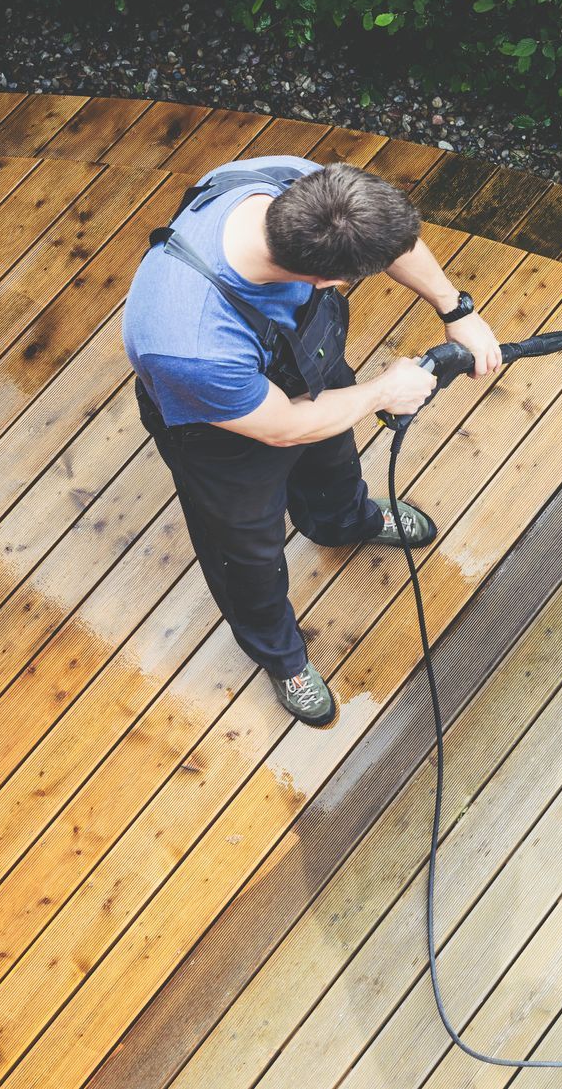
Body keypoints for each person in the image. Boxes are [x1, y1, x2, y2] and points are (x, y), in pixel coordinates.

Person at [122, 156, 500, 727]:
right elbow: (283, 426)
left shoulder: (300, 190)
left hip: (306, 368)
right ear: (328, 282)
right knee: (247, 552)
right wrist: (382, 392)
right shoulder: (186, 337)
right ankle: (282, 656)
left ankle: (345, 522)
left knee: (334, 463)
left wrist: (456, 308)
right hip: (221, 432)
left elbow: (392, 241)